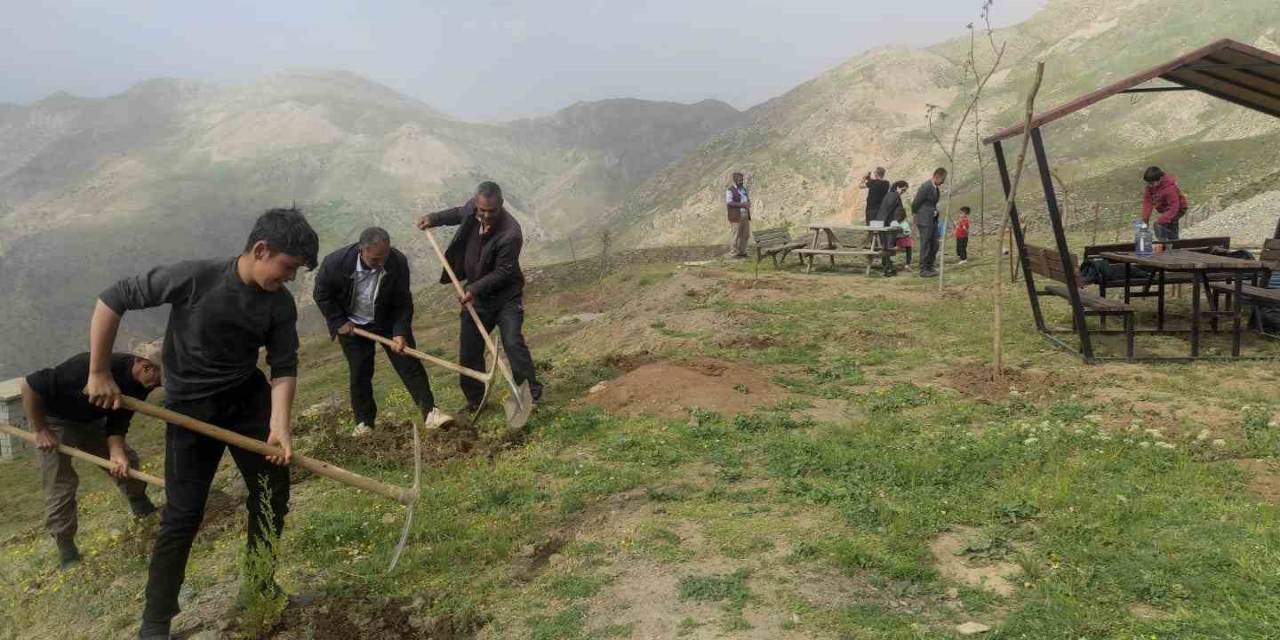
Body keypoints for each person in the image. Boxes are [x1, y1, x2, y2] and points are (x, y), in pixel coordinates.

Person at [86, 208, 318, 640]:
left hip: (248, 402)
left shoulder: (279, 305)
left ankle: (261, 587)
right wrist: (99, 371)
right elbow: (113, 298)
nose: (289, 278)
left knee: (271, 494)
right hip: (189, 412)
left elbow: (284, 366)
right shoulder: (195, 278)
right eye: (288, 267)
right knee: (183, 513)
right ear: (261, 249)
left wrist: (279, 426)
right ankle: (155, 621)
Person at [21, 343, 163, 569]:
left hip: (91, 420)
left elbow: (119, 419)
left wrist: (116, 452)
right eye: (159, 380)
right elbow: (29, 385)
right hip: (54, 421)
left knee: (128, 461)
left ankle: (141, 505)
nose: (158, 386)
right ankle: (66, 549)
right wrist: (40, 430)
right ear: (146, 366)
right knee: (60, 483)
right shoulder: (86, 367)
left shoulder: (143, 382)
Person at [313, 227, 452, 437]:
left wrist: (400, 332)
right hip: (352, 326)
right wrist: (338, 321)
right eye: (375, 259)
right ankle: (364, 423)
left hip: (387, 321)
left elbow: (403, 302)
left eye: (384, 257)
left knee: (409, 364)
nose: (381, 263)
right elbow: (321, 294)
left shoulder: (397, 261)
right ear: (362, 250)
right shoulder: (335, 263)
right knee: (360, 371)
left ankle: (431, 414)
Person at [417, 182, 544, 411]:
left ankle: (530, 397)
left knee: (513, 342)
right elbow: (458, 213)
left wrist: (473, 289)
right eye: (482, 210)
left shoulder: (510, 233)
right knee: (469, 349)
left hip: (506, 298)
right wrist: (434, 218)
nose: (485, 215)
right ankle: (475, 400)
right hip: (478, 299)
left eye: (491, 211)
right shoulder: (474, 209)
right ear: (476, 203)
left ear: (501, 204)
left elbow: (503, 272)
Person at [912, 167, 947, 277]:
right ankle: (923, 269)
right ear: (937, 176)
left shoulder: (935, 188)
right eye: (942, 180)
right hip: (924, 219)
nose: (943, 182)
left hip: (932, 219)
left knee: (935, 244)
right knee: (926, 244)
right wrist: (918, 214)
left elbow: (932, 204)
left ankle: (930, 266)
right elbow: (916, 203)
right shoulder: (926, 186)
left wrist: (934, 211)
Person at [1141, 166, 1187, 242]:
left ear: (1160, 179)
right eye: (1148, 183)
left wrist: (1162, 220)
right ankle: (1165, 242)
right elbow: (1148, 202)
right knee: (1162, 225)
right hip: (1165, 208)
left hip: (1179, 208)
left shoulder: (1169, 189)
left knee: (1164, 224)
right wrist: (1145, 219)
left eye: (1152, 183)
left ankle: (1173, 242)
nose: (1150, 185)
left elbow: (1174, 207)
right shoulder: (1150, 186)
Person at [875, 180, 909, 276]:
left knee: (886, 246)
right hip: (888, 225)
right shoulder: (893, 195)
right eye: (903, 190)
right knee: (888, 247)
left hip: (886, 224)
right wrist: (893, 222)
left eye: (905, 191)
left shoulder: (890, 195)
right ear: (898, 187)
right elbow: (887, 211)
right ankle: (887, 269)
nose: (903, 192)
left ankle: (887, 266)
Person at [725, 172, 751, 258]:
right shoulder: (730, 190)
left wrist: (748, 203)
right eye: (739, 180)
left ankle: (742, 252)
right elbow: (729, 202)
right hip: (736, 215)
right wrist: (742, 205)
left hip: (745, 214)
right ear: (735, 180)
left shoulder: (743, 189)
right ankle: (733, 252)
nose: (741, 181)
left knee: (745, 234)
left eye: (742, 180)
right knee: (736, 234)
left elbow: (745, 199)